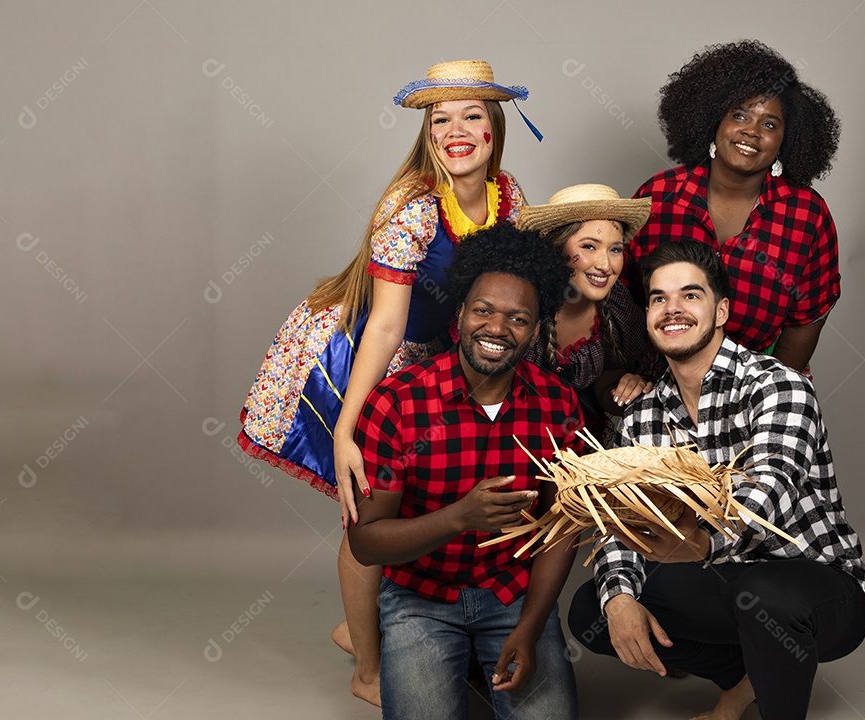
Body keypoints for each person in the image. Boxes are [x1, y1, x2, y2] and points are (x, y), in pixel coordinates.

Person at [237, 60, 532, 706]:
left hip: (441, 359)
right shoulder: (413, 208)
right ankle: (368, 669)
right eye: (440, 120)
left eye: (471, 116)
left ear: (495, 127)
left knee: (422, 510)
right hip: (368, 357)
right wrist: (349, 425)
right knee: (368, 515)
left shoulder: (509, 197)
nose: (456, 131)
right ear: (427, 135)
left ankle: (360, 626)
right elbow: (388, 326)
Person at [569, 240, 865, 720]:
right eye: (658, 299)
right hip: (721, 582)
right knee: (594, 609)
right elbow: (620, 523)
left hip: (819, 587)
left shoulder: (777, 385)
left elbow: (767, 488)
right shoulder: (642, 419)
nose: (673, 310)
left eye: (690, 296)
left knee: (766, 595)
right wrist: (621, 596)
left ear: (722, 311)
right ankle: (742, 675)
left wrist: (705, 542)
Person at [348, 224, 581, 720]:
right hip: (420, 598)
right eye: (483, 310)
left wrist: (531, 626)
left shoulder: (557, 404)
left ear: (536, 330)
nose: (497, 329)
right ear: (459, 316)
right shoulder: (398, 403)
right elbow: (366, 542)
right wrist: (459, 517)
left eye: (518, 318)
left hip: (514, 594)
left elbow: (563, 530)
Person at [627, 40, 843, 374]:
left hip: (755, 392)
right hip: (657, 389)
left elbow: (807, 318)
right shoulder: (658, 197)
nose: (752, 132)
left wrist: (769, 395)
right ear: (713, 121)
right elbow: (624, 299)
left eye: (769, 124)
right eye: (739, 115)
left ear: (788, 138)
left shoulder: (806, 215)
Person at [516, 184, 653, 437]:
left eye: (615, 249)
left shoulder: (618, 308)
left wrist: (627, 392)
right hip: (512, 441)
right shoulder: (519, 302)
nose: (605, 265)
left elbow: (604, 390)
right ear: (556, 248)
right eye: (589, 246)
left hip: (580, 446)